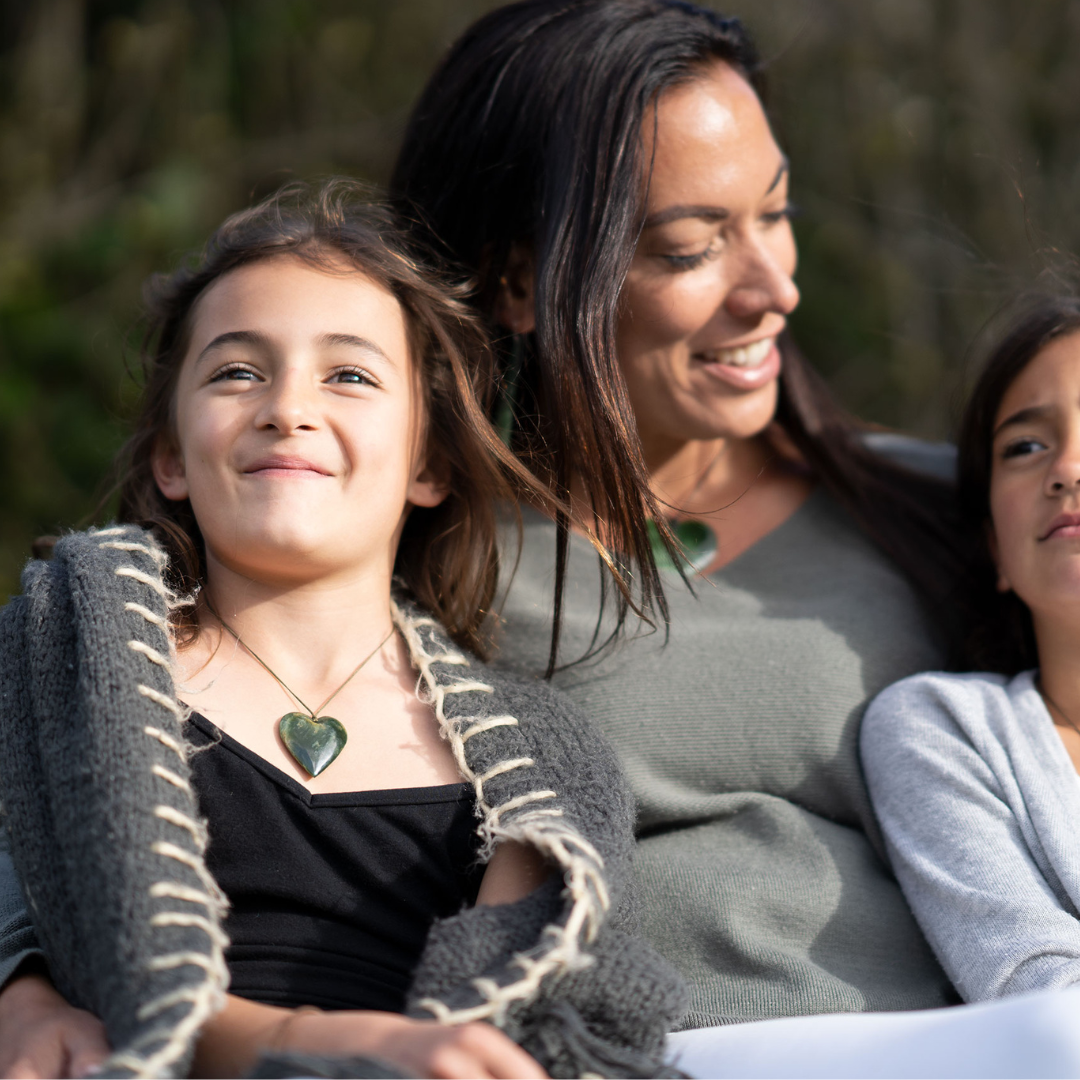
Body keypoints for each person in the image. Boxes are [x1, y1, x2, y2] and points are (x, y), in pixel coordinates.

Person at [0, 180, 685, 1079]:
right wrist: (22, 991)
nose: (288, 406)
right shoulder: (72, 662)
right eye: (237, 371)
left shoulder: (536, 763)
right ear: (171, 455)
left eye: (350, 375)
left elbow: (530, 1009)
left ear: (429, 461)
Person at [389, 0, 967, 1026]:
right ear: (517, 281)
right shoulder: (417, 556)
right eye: (694, 247)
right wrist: (19, 977)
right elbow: (127, 724)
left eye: (776, 214)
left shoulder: (953, 504)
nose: (774, 288)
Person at [861, 295, 1080, 1003]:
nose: (1069, 469)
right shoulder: (945, 730)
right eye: (1025, 446)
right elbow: (1039, 995)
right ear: (994, 547)